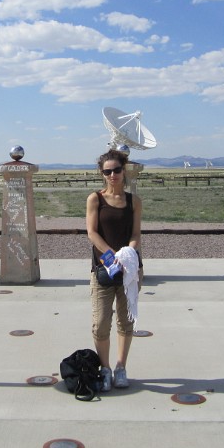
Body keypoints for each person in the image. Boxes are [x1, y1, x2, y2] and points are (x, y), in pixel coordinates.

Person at [85, 149, 143, 391]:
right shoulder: (95, 199)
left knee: (125, 321)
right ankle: (105, 368)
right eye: (107, 171)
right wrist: (111, 257)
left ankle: (121, 367)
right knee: (100, 323)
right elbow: (92, 232)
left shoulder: (133, 201)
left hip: (128, 271)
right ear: (102, 173)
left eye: (116, 170)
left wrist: (127, 256)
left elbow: (135, 234)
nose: (112, 175)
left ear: (124, 170)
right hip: (102, 270)